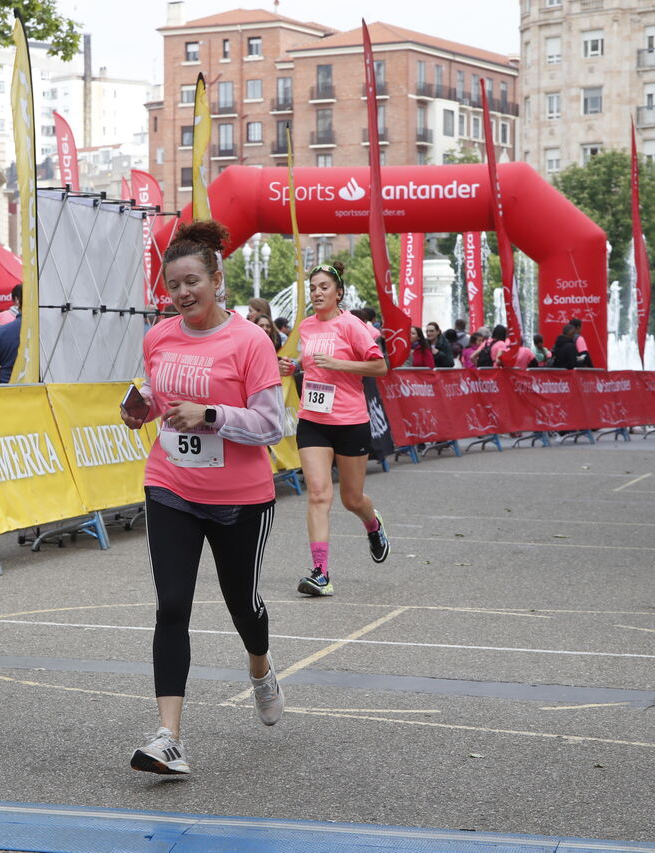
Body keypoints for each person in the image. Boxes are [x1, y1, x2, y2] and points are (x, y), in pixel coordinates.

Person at [119, 219, 286, 776]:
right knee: (171, 605)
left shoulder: (250, 341)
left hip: (240, 498)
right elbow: (153, 390)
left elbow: (272, 424)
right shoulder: (159, 337)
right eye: (174, 286)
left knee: (244, 606)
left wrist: (211, 415)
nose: (183, 293)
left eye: (193, 281)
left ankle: (260, 667)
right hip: (171, 485)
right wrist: (138, 407)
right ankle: (170, 737)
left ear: (217, 278)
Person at [279, 261, 390, 598]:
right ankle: (320, 573)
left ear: (338, 292)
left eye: (324, 287)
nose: (317, 293)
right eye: (313, 288)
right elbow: (309, 363)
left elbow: (380, 366)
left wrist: (340, 364)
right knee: (317, 494)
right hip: (313, 420)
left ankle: (373, 524)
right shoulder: (307, 327)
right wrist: (292, 366)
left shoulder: (352, 325)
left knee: (351, 498)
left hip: (350, 421)